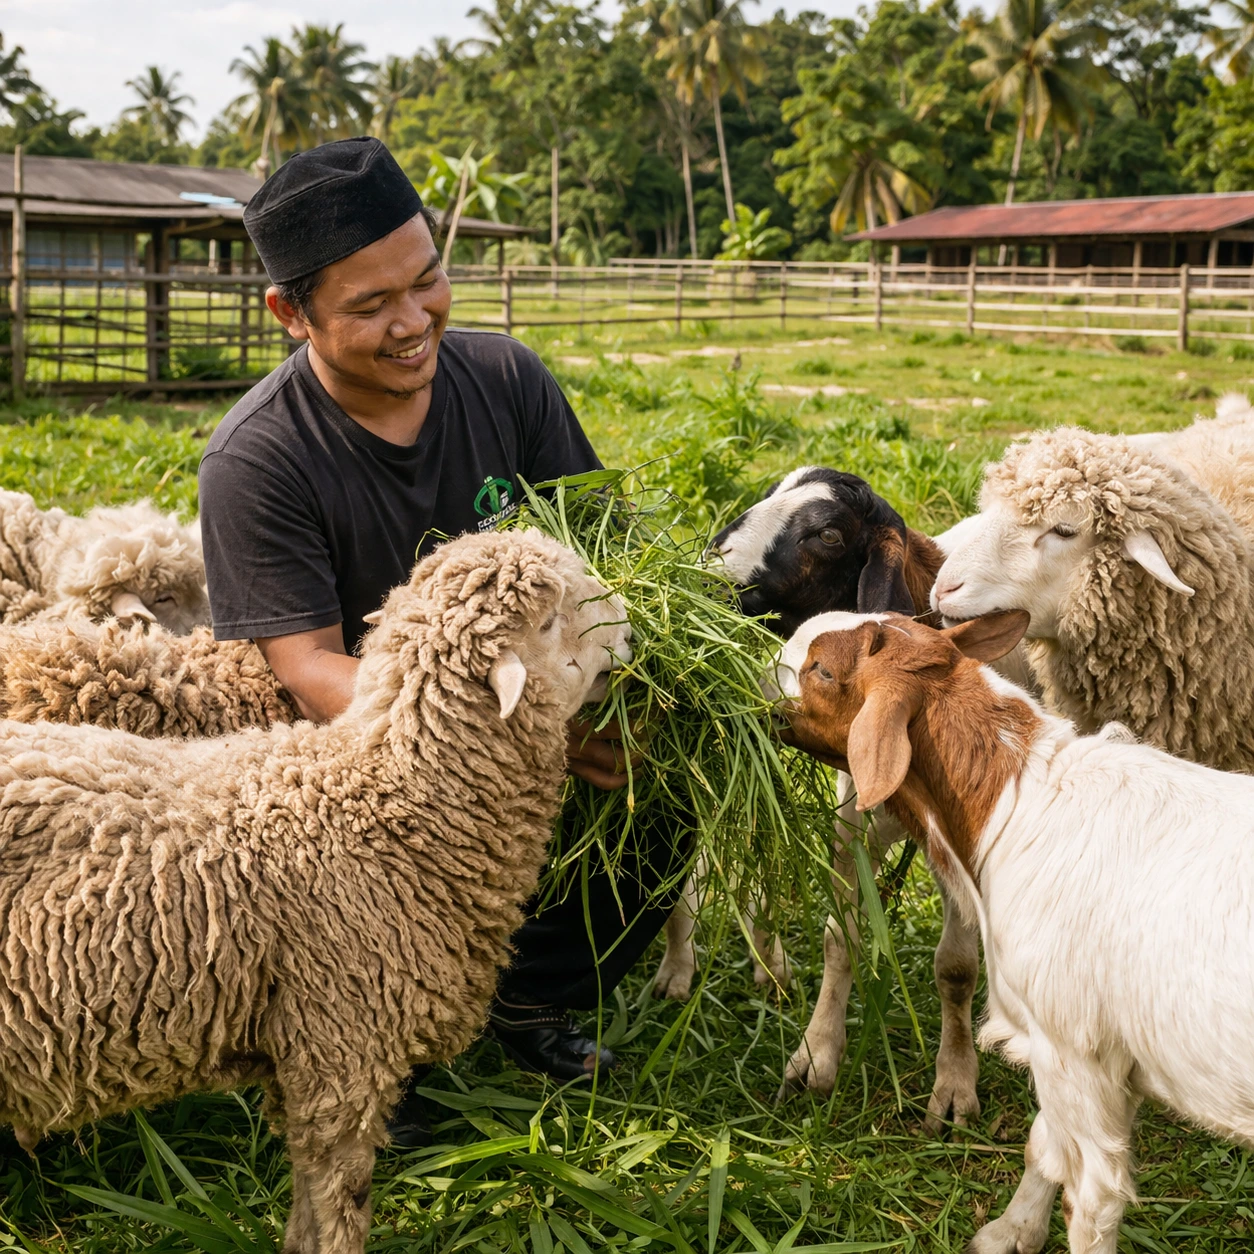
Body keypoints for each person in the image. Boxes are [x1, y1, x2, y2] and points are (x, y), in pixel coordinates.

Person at [197, 137, 687, 1147]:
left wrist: (597, 702)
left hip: (536, 695)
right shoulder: (259, 460)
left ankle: (526, 997)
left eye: (427, 281)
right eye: (371, 306)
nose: (413, 322)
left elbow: (609, 556)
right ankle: (375, 1047)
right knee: (326, 844)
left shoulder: (506, 379)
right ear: (292, 315)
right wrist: (501, 739)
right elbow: (305, 666)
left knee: (662, 795)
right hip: (371, 750)